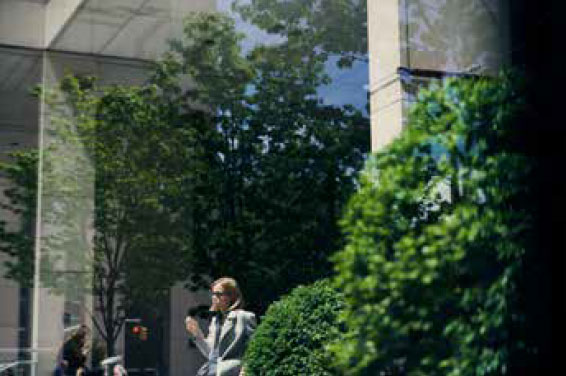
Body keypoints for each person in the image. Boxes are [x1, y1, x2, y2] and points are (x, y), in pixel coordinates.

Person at [185, 277, 256, 376]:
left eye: (218, 294)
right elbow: (211, 353)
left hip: (230, 371)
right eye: (213, 294)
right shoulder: (215, 321)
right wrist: (197, 334)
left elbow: (253, 348)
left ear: (231, 296)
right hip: (210, 371)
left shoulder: (243, 317)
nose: (214, 297)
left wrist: (245, 371)